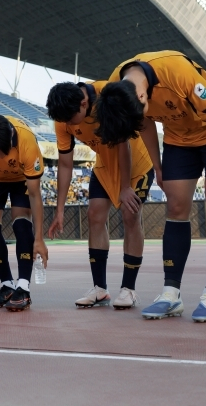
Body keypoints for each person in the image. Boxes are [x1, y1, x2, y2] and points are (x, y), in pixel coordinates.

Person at [95, 51, 206, 323]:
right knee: (176, 205)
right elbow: (145, 126)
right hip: (179, 138)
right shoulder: (117, 88)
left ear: (143, 97)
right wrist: (158, 166)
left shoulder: (177, 72)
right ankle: (170, 293)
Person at [45, 80, 155, 310]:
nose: (66, 125)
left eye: (69, 119)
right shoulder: (64, 118)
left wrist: (126, 187)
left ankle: (128, 289)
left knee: (130, 215)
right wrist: (60, 210)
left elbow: (124, 145)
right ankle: (100, 289)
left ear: (84, 103)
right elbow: (65, 165)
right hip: (105, 164)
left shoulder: (107, 95)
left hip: (136, 163)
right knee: (94, 215)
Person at [0, 114, 48, 311]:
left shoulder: (27, 142)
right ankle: (7, 285)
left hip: (21, 179)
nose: (1, 158)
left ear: (11, 136)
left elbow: (35, 196)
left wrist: (38, 238)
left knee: (21, 223)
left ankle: (23, 287)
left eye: (3, 152)